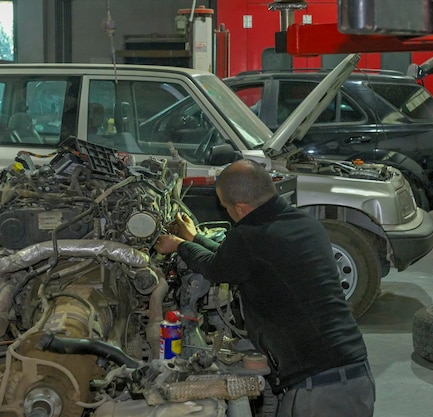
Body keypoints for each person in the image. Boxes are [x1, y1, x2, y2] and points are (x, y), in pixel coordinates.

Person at [154, 159, 375, 417]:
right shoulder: (303, 223)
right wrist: (194, 239)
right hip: (345, 376)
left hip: (322, 389)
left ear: (241, 207)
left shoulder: (251, 236)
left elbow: (217, 268)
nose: (227, 214)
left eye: (226, 208)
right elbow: (236, 259)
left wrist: (179, 246)